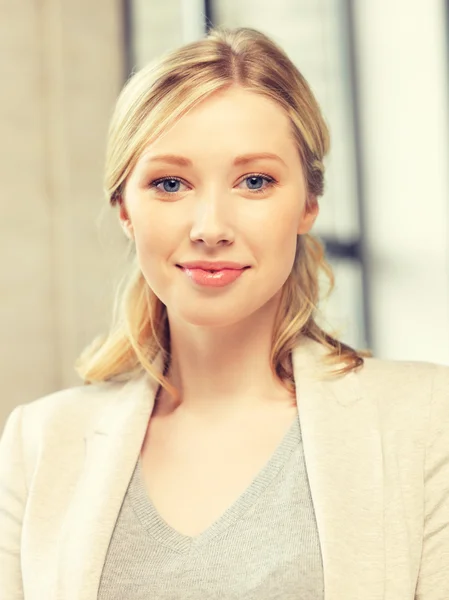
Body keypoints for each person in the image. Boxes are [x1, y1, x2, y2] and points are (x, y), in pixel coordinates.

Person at [1, 25, 448, 600]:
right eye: (169, 183)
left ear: (309, 203)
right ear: (124, 210)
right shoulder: (41, 443)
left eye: (255, 181)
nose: (210, 228)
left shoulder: (425, 422)